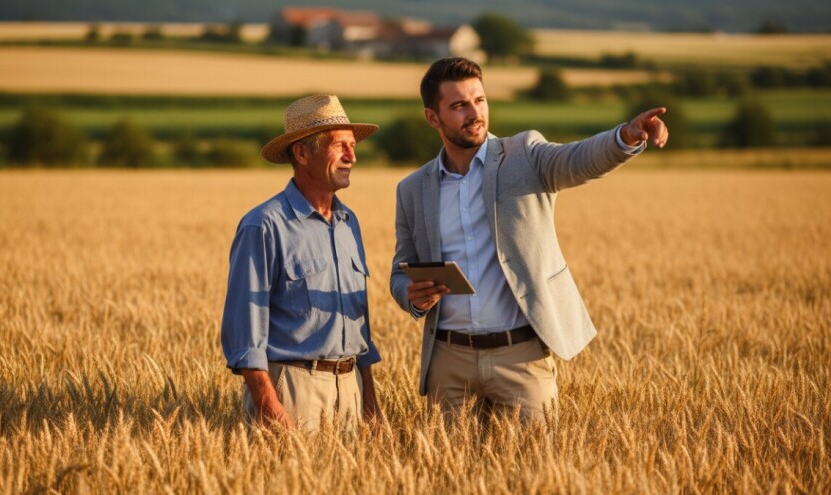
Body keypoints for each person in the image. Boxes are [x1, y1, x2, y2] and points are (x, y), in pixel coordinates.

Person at [389, 57, 668, 428]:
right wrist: (409, 294)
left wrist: (626, 137)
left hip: (520, 356)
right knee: (447, 477)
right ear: (432, 117)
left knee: (534, 476)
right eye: (458, 105)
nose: (474, 113)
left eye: (479, 100)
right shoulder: (413, 189)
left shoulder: (524, 155)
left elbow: (579, 159)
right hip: (448, 362)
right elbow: (400, 269)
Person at [222, 94, 382, 432]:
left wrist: (370, 401)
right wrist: (269, 406)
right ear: (302, 153)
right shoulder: (263, 225)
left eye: (353, 146)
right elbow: (244, 334)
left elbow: (360, 326)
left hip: (350, 389)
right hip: (293, 389)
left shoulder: (348, 222)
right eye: (340, 146)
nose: (351, 156)